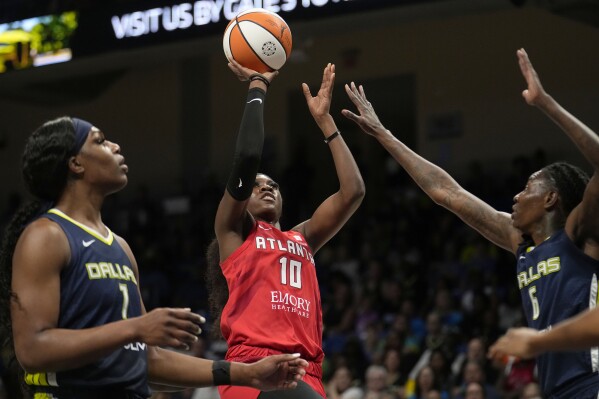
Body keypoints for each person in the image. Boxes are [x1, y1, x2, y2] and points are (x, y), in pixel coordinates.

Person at [341, 47, 599, 398]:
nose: (517, 197)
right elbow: (445, 192)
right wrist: (383, 134)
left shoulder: (580, 234)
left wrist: (545, 103)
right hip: (557, 389)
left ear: (552, 199)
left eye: (527, 188)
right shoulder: (520, 243)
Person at [0, 115, 309, 399]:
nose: (115, 146)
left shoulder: (120, 248)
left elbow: (148, 359)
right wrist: (135, 328)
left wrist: (247, 373)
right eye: (100, 141)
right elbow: (32, 348)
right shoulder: (46, 236)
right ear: (76, 164)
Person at [206, 60, 365, 399]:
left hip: (307, 372)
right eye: (256, 185)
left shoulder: (302, 237)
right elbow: (247, 156)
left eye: (274, 185)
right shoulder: (234, 231)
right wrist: (258, 85)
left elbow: (353, 192)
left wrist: (326, 123)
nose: (266, 188)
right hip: (257, 368)